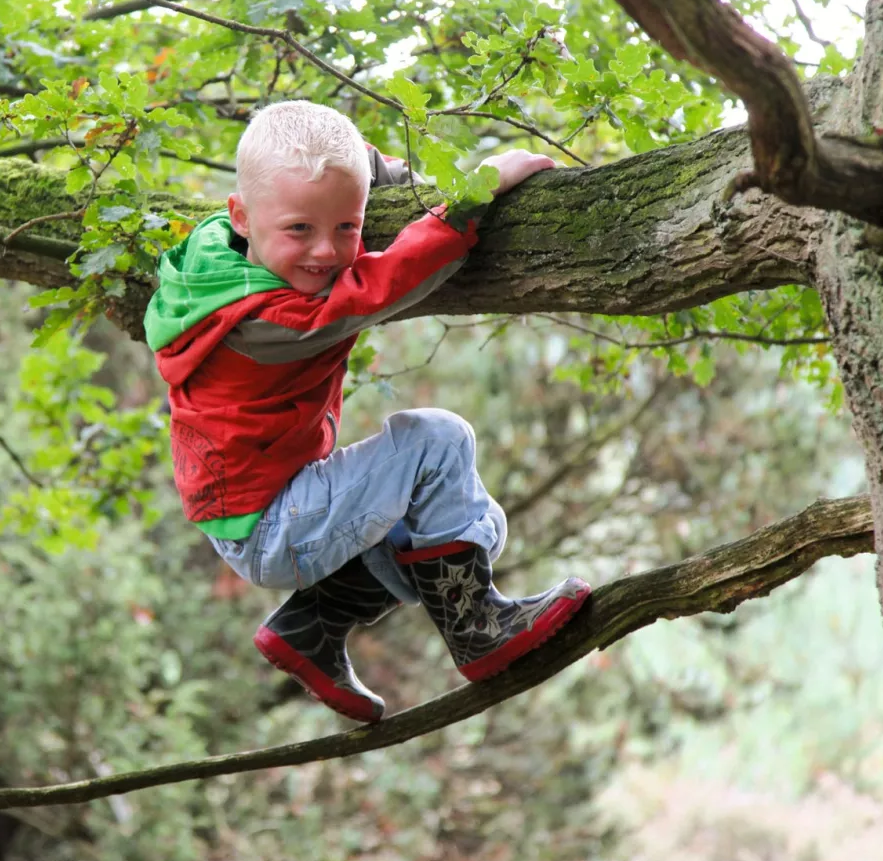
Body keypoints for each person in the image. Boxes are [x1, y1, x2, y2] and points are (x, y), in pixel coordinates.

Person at [143, 101, 590, 723]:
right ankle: (477, 628)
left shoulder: (210, 257)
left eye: (348, 228)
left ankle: (311, 626)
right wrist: (473, 193)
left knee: (465, 522)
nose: (326, 252)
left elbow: (335, 180)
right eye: (299, 230)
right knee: (436, 441)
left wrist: (376, 169)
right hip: (276, 527)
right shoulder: (271, 319)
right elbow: (386, 284)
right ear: (241, 215)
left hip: (256, 516)